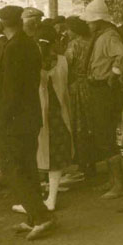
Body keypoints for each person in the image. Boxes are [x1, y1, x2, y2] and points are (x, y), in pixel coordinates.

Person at [0, 5, 54, 240]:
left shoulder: (13, 48)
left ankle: (41, 216)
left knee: (12, 167)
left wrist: (1, 119)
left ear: (1, 25)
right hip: (30, 114)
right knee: (28, 166)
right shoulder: (30, 43)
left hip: (13, 117)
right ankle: (34, 216)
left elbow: (10, 90)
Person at [81, 0, 123, 199]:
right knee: (103, 135)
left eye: (90, 20)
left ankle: (119, 184)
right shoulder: (102, 35)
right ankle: (112, 180)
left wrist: (114, 72)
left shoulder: (109, 36)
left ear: (99, 21)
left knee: (106, 134)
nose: (88, 23)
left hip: (104, 89)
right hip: (98, 89)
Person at [36, 25, 73, 211]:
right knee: (56, 154)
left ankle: (40, 196)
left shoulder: (33, 63)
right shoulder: (62, 61)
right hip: (58, 112)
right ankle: (51, 195)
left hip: (38, 112)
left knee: (39, 152)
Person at [64, 16, 94, 176]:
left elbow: (67, 65)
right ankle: (92, 161)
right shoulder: (92, 41)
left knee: (79, 125)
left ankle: (84, 162)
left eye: (68, 29)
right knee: (91, 124)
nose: (66, 32)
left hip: (77, 87)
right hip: (92, 86)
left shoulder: (73, 45)